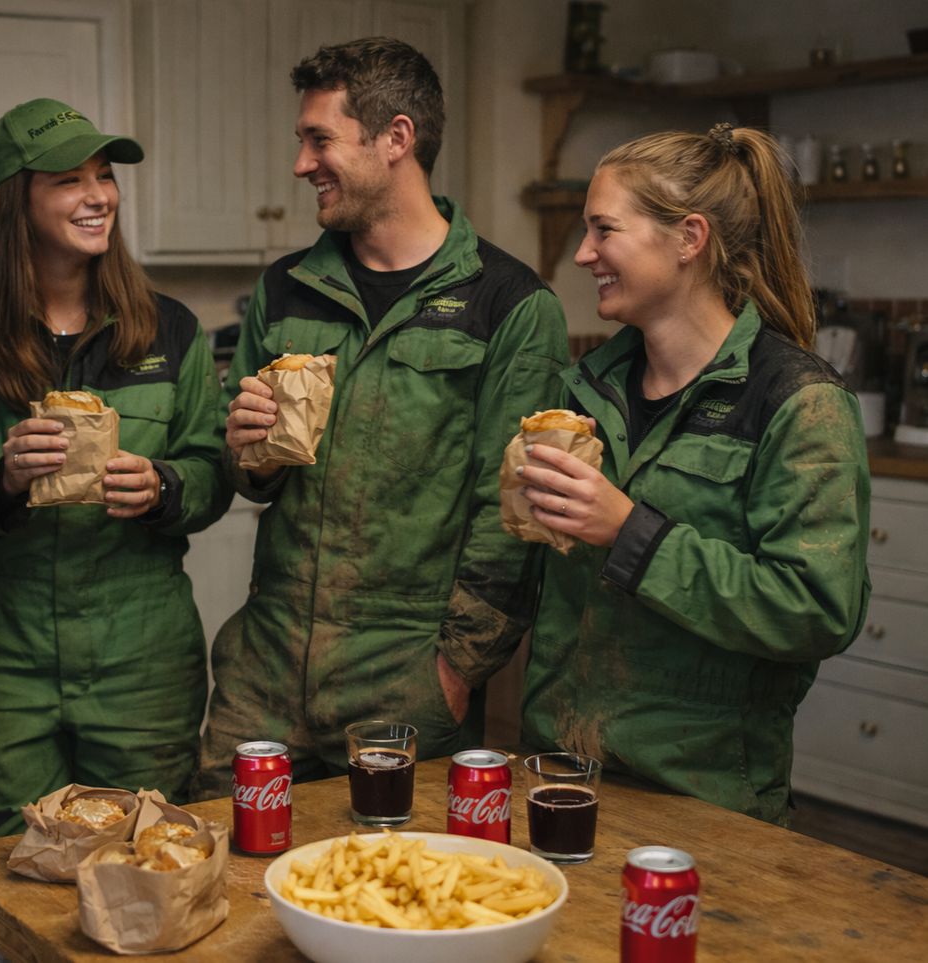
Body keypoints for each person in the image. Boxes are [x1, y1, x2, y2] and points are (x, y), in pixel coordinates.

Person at [193, 38, 569, 800]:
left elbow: (513, 517)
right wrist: (249, 452)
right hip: (263, 665)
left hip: (402, 679)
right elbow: (253, 480)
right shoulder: (285, 287)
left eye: (318, 140)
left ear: (395, 138)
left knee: (389, 892)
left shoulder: (510, 304)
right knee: (218, 868)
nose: (301, 164)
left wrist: (455, 669)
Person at [514, 124, 871, 827]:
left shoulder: (799, 403)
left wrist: (630, 534)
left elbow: (816, 609)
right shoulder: (584, 387)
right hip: (558, 770)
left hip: (703, 797)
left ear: (688, 239)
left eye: (603, 231)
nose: (583, 254)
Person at [0, 99, 230, 840]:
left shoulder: (169, 329)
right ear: (16, 202)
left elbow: (212, 469)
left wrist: (165, 486)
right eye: (69, 180)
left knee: (148, 856)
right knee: (9, 863)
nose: (99, 195)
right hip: (3, 667)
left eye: (104, 176)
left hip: (141, 664)